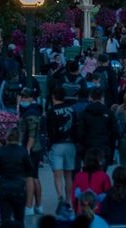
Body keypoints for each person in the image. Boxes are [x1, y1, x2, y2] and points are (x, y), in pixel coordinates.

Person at [0, 125, 32, 226]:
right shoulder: (22, 151)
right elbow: (30, 169)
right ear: (19, 138)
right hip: (18, 189)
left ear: (7, 137)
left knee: (5, 220)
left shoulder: (1, 151)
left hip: (4, 189)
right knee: (19, 219)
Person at [47, 84, 79, 214]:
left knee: (57, 175)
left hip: (57, 144)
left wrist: (50, 144)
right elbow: (76, 127)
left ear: (53, 97)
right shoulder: (71, 110)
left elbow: (50, 130)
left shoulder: (52, 111)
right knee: (69, 175)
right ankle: (68, 201)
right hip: (70, 144)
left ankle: (60, 197)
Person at [17, 86, 45, 216]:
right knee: (34, 176)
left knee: (29, 177)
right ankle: (38, 206)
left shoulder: (31, 113)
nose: (23, 99)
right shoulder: (32, 110)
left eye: (25, 97)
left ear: (31, 98)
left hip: (31, 149)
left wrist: (27, 149)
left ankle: (28, 206)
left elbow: (32, 133)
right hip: (34, 148)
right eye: (22, 96)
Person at [77, 86, 119, 171]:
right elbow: (115, 131)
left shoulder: (84, 113)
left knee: (89, 174)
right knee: (102, 173)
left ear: (90, 98)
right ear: (102, 98)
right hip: (104, 146)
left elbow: (80, 132)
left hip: (88, 147)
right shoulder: (109, 113)